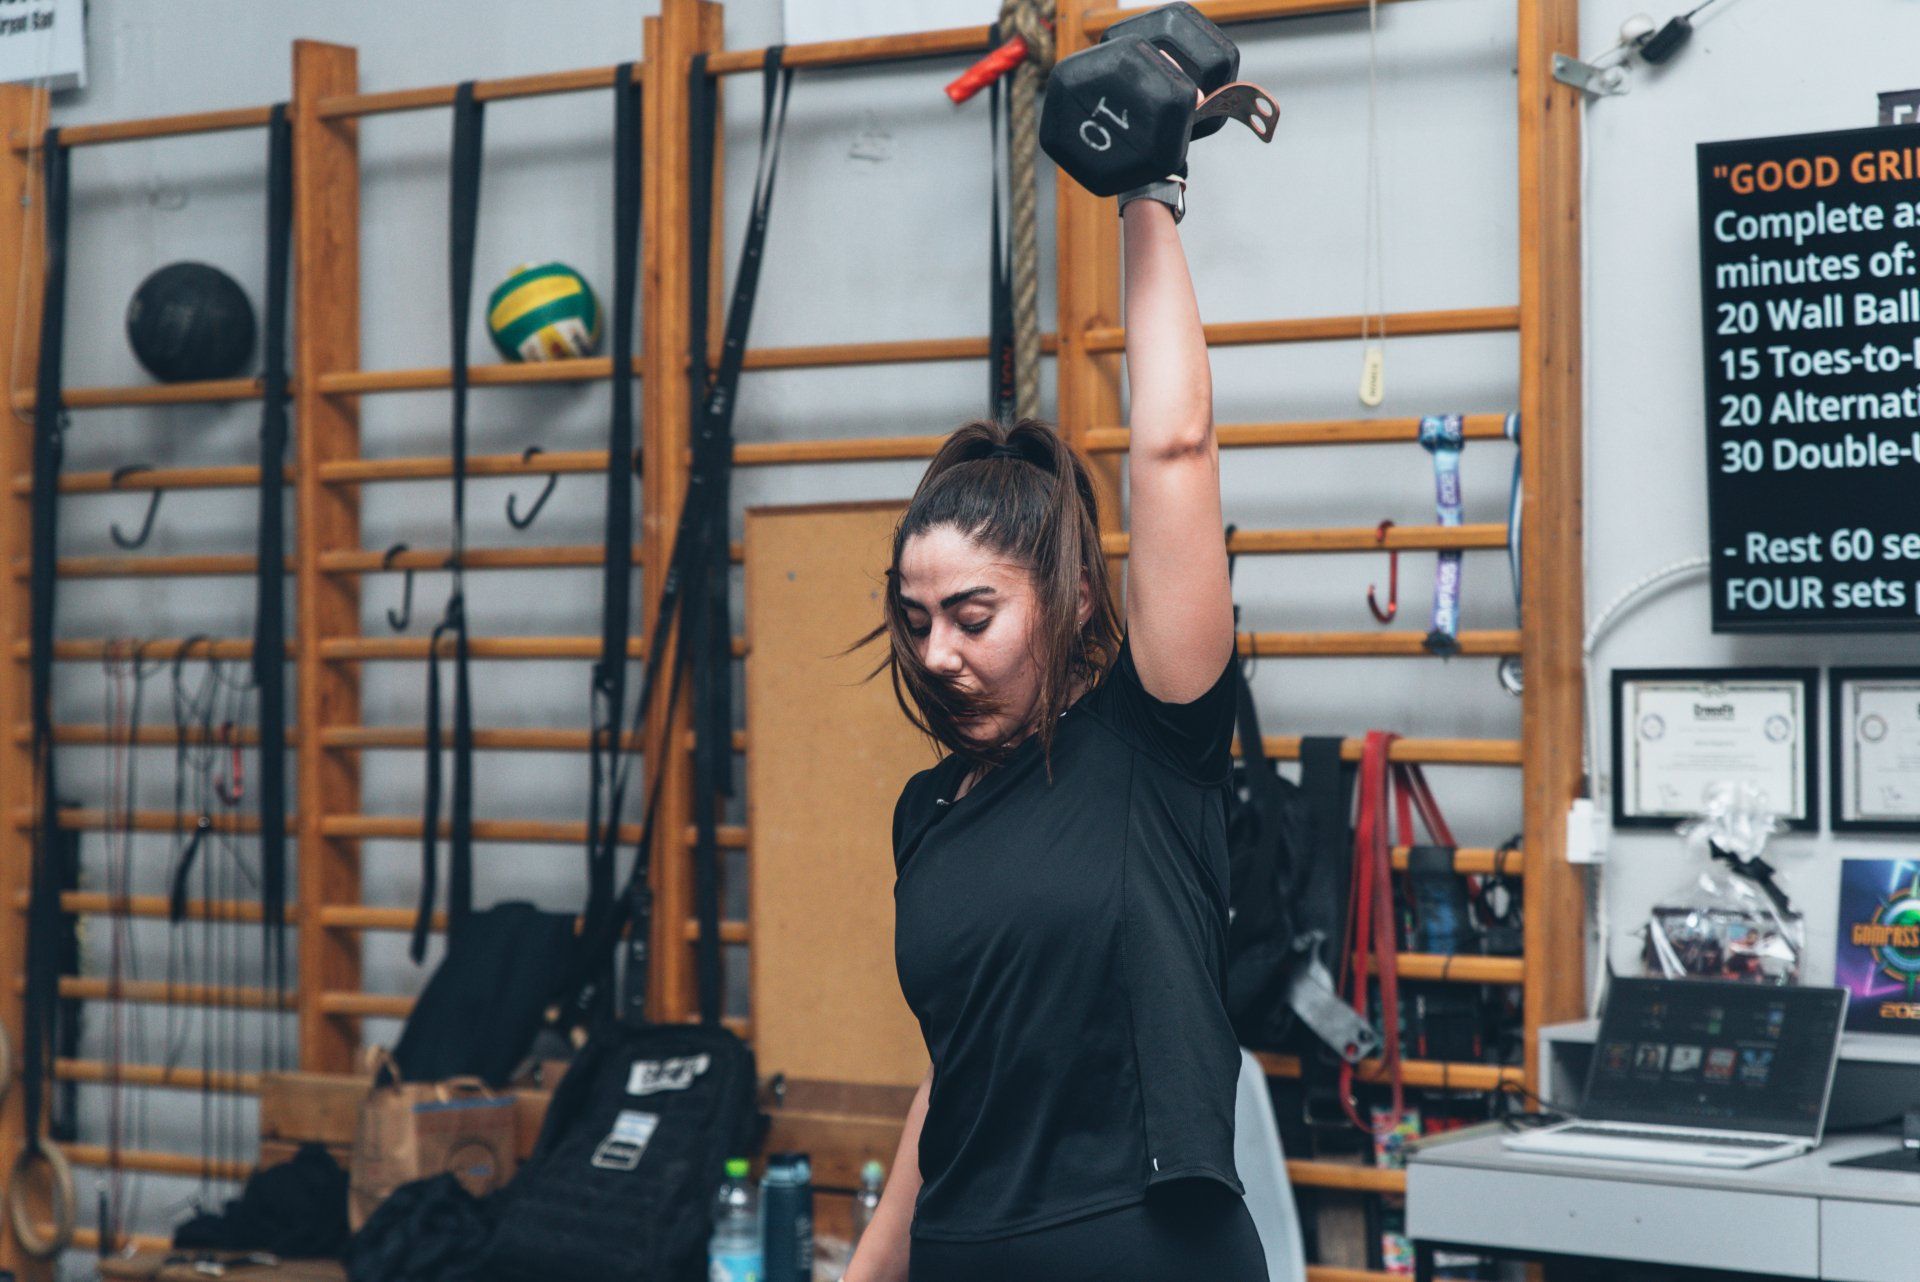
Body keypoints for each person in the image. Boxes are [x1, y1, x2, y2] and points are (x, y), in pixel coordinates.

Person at [845, 184, 1268, 1282]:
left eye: (973, 616)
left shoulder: (1151, 744)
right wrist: (869, 1269)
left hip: (1140, 1252)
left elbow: (1176, 446)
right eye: (918, 621)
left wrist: (1147, 197)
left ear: (1075, 599)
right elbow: (962, 1073)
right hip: (960, 1253)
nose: (938, 652)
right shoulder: (928, 812)